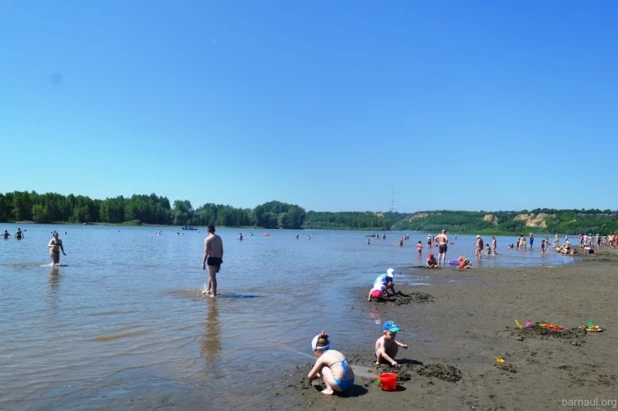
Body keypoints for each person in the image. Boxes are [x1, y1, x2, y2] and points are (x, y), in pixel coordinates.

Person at [202, 224, 224, 297]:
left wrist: (203, 263)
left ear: (207, 230)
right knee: (211, 275)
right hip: (218, 258)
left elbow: (206, 252)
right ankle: (208, 289)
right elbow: (222, 250)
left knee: (213, 277)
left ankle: (214, 294)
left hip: (211, 258)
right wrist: (220, 260)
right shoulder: (219, 238)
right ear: (214, 230)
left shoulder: (207, 239)